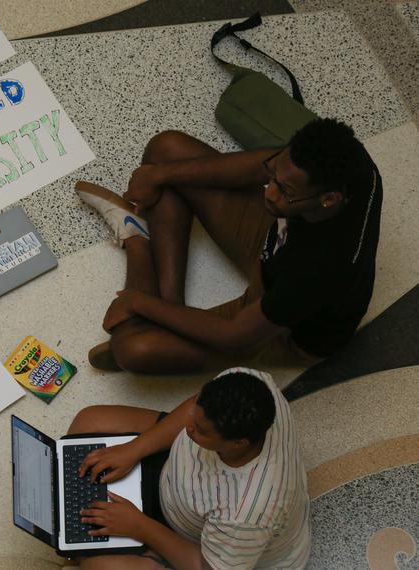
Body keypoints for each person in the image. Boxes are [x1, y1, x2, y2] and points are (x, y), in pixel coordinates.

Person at [75, 119, 382, 374]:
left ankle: (138, 243)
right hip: (273, 245)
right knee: (166, 150)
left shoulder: (320, 269)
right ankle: (170, 307)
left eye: (285, 190)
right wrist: (159, 173)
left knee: (133, 350)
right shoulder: (349, 162)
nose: (269, 194)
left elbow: (235, 336)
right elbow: (258, 169)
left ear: (328, 199)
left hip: (281, 326)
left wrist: (137, 303)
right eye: (274, 176)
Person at [70, 368, 309, 569]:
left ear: (238, 443)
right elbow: (194, 414)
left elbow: (207, 566)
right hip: (178, 478)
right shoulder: (248, 381)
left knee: (97, 564)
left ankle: (150, 555)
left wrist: (139, 526)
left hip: (206, 546)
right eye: (195, 409)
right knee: (88, 421)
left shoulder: (246, 516)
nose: (187, 425)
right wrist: (133, 449)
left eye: (200, 430)